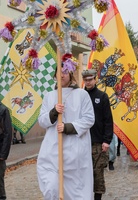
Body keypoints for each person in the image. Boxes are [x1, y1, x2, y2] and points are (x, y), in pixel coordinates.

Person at [37, 68, 95, 199]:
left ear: (70, 74)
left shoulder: (82, 95)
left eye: (64, 72)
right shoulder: (50, 96)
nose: (61, 75)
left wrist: (68, 127)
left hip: (75, 151)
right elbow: (41, 120)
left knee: (76, 192)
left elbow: (89, 118)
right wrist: (53, 112)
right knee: (51, 186)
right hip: (52, 151)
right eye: (59, 72)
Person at [82, 69, 114, 200]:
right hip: (83, 141)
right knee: (84, 174)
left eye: (90, 79)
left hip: (98, 143)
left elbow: (108, 120)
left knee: (98, 174)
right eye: (86, 80)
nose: (88, 82)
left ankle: (97, 198)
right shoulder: (80, 96)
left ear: (95, 79)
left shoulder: (102, 97)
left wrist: (107, 140)